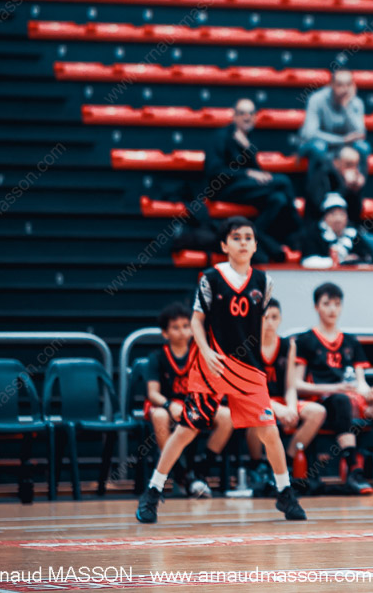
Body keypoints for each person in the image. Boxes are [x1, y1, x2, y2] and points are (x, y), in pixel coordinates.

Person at [135, 217, 306, 523]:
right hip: (212, 367)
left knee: (269, 432)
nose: (243, 242)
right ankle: (153, 490)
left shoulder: (264, 282)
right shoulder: (211, 278)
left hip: (249, 370)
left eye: (248, 237)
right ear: (225, 245)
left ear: (255, 245)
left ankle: (285, 493)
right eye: (236, 237)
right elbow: (197, 320)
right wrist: (205, 350)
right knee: (186, 429)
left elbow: (255, 326)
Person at [294, 283, 373, 495]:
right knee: (341, 400)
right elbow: (297, 384)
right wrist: (335, 388)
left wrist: (368, 392)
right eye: (327, 304)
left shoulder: (350, 341)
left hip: (351, 399)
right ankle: (354, 470)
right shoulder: (306, 340)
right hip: (322, 400)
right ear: (316, 307)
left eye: (336, 304)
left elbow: (360, 382)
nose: (332, 309)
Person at [143, 302, 232, 498]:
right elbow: (153, 393)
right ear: (165, 333)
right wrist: (169, 405)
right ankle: (181, 474)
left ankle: (200, 471)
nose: (182, 331)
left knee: (227, 416)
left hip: (195, 404)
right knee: (159, 416)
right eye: (175, 327)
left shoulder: (202, 354)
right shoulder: (157, 357)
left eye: (186, 326)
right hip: (168, 406)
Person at [206, 99, 302, 262]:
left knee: (278, 199)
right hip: (224, 189)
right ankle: (297, 232)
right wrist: (247, 173)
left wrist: (248, 150)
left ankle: (256, 236)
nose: (247, 117)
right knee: (283, 182)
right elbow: (215, 171)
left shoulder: (247, 140)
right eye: (242, 113)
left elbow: (257, 170)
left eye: (251, 113)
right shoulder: (221, 137)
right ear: (234, 116)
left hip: (245, 189)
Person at [254, 299, 327, 481]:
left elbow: (290, 386)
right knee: (258, 415)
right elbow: (251, 391)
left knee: (317, 412)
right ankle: (257, 466)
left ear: (280, 319)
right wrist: (277, 409)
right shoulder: (249, 346)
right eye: (265, 317)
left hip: (280, 399)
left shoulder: (288, 345)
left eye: (274, 317)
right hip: (256, 402)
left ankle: (287, 461)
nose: (269, 322)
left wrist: (292, 409)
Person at [299, 69, 369, 169]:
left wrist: (346, 108)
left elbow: (360, 133)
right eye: (340, 85)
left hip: (343, 146)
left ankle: (357, 178)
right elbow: (310, 134)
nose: (344, 89)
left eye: (348, 85)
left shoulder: (356, 102)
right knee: (319, 147)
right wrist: (342, 140)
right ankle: (317, 180)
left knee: (363, 147)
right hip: (318, 144)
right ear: (331, 85)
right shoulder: (316, 99)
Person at [302, 193, 373, 268]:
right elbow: (308, 261)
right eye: (333, 214)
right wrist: (337, 261)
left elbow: (367, 257)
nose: (338, 219)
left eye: (341, 214)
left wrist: (354, 260)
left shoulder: (353, 234)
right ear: (325, 217)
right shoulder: (314, 234)